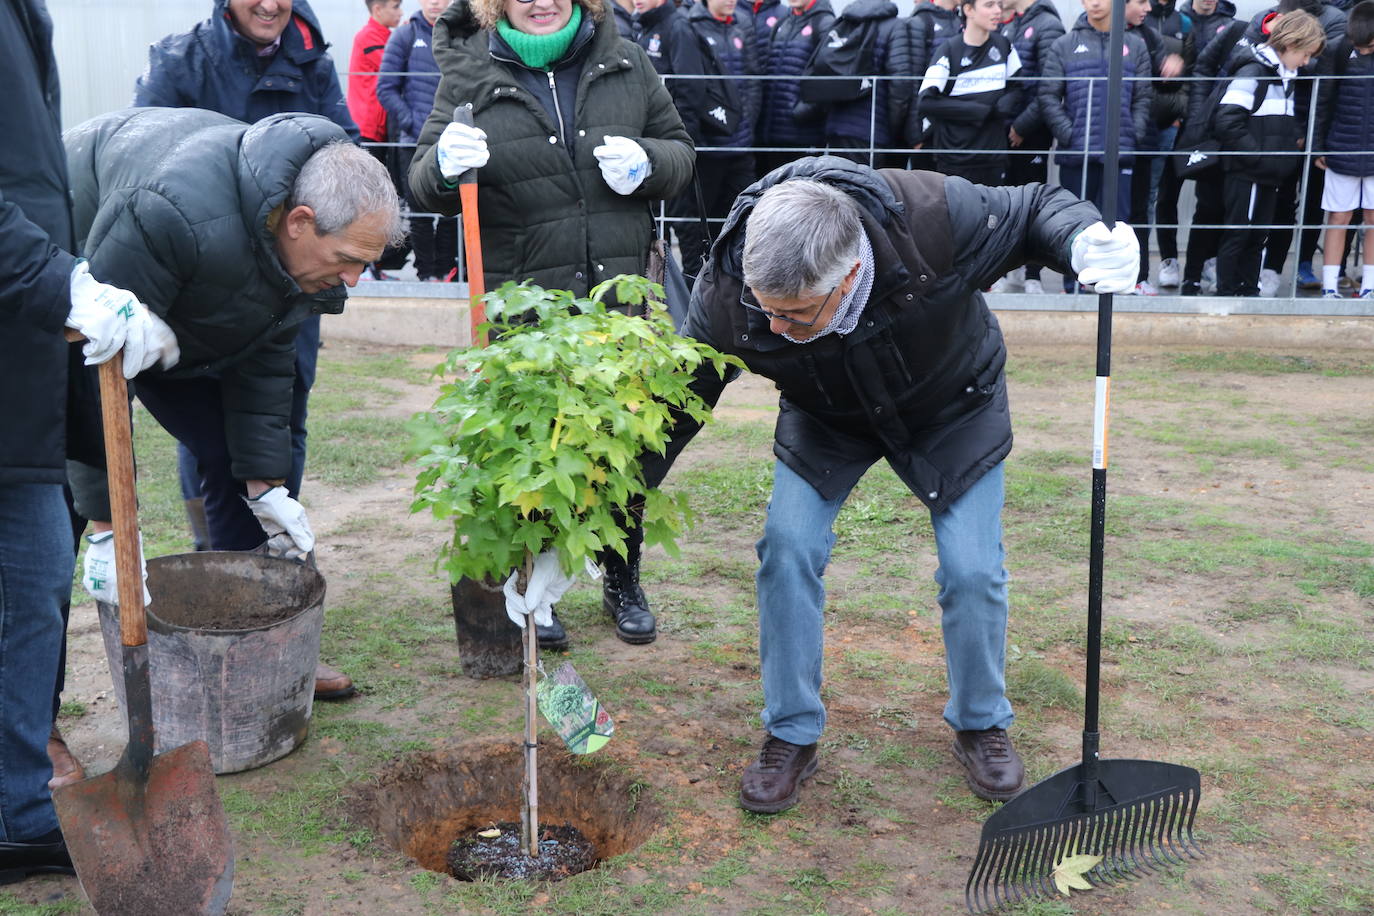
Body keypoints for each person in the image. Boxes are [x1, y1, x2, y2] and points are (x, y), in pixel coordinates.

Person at [636, 156, 1137, 813]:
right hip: (828, 418)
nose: (776, 329)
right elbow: (673, 411)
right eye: (769, 312)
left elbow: (1037, 205)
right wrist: (609, 513)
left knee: (973, 569)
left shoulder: (933, 220)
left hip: (954, 405)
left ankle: (981, 722)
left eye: (797, 315)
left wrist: (1083, 239)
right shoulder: (731, 295)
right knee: (787, 549)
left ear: (848, 275)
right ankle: (791, 732)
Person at [63, 108, 405, 673]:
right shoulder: (170, 212)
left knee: (232, 456)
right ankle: (34, 726)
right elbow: (86, 373)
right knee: (50, 503)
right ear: (298, 220)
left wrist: (265, 487)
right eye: (347, 260)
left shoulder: (292, 249)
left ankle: (258, 648)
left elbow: (265, 366)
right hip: (68, 258)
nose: (352, 281)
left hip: (177, 294)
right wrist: (106, 526)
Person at [407, 0, 696, 648]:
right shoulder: (471, 73)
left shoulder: (625, 60)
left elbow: (683, 154)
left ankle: (621, 576)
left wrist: (650, 162)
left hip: (617, 308)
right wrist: (443, 167)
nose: (541, 1)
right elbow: (423, 182)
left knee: (621, 450)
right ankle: (537, 581)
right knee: (540, 450)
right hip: (527, 310)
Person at [133, 0, 363, 698]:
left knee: (278, 430)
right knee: (210, 442)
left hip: (290, 282)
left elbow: (346, 152)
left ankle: (275, 606)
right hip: (203, 290)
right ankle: (223, 591)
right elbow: (151, 155)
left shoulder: (310, 63)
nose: (270, 4)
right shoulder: (182, 63)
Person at [1, 0, 177, 885]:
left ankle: (18, 806)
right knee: (27, 582)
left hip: (17, 366)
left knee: (32, 589)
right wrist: (62, 281)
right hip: (17, 331)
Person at [1040, 0, 1153, 290]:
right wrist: (1070, 135)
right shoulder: (1064, 44)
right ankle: (1074, 287)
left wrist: (1133, 133)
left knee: (1116, 225)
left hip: (1121, 154)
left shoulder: (1135, 45)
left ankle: (1111, 289)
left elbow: (1143, 96)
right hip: (1077, 155)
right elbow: (1049, 96)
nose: (1095, 2)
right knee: (1075, 224)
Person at [1213, 10, 1326, 295]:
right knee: (1239, 234)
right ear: (1289, 44)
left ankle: (1249, 291)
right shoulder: (1253, 71)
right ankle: (1227, 293)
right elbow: (1227, 120)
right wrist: (1258, 158)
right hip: (1248, 172)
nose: (1306, 62)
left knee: (1258, 237)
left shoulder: (1286, 77)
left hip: (1269, 173)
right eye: (1305, 54)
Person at [379, 0, 461, 282]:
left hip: (453, 142)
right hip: (412, 141)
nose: (436, 3)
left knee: (453, 209)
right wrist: (411, 122)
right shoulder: (404, 35)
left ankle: (448, 270)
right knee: (420, 212)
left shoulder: (461, 32)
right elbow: (386, 88)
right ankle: (426, 272)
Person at [915, 0, 1023, 185]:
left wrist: (1002, 107)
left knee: (994, 214)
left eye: (999, 4)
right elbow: (926, 102)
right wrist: (979, 111)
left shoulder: (1004, 45)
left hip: (993, 157)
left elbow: (1017, 87)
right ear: (969, 10)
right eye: (989, 5)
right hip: (955, 159)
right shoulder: (949, 49)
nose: (998, 10)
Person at [999, 0, 1067, 294]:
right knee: (1005, 203)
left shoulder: (1048, 25)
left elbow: (1048, 86)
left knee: (1033, 203)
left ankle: (1033, 274)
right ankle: (1005, 268)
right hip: (1005, 133)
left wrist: (1021, 127)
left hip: (1032, 134)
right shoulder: (1013, 23)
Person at [1126, 0, 1187, 295]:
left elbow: (1166, 87)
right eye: (1140, 2)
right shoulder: (1087, 35)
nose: (1147, 8)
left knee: (1140, 208)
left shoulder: (1149, 36)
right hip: (1101, 140)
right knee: (1099, 207)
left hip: (1143, 138)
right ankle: (1089, 276)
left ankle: (1139, 276)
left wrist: (1171, 73)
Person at [1314, 0, 1374, 297]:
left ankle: (1370, 287)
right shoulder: (1337, 49)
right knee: (1339, 216)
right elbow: (1321, 99)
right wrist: (1317, 145)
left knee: (1373, 218)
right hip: (1341, 149)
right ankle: (1329, 287)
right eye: (1359, 46)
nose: (1363, 50)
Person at [348, 0, 411, 280]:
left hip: (380, 129)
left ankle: (375, 266)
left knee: (382, 199)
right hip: (369, 129)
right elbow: (396, 68)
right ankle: (364, 267)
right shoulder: (370, 37)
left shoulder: (383, 36)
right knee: (369, 201)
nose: (400, 13)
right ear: (378, 10)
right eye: (396, 7)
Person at [755, 0, 837, 177]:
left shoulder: (824, 23)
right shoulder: (783, 21)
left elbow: (829, 76)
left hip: (803, 134)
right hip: (771, 131)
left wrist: (801, 112)